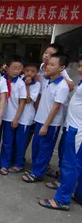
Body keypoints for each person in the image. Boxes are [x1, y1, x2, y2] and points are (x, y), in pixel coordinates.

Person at [38, 57, 82, 211]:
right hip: (73, 127)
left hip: (77, 131)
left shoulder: (64, 85)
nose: (80, 69)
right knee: (76, 164)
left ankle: (62, 200)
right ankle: (78, 194)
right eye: (80, 65)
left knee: (71, 165)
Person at [22, 53, 70, 183]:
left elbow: (55, 108)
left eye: (52, 65)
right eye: (48, 64)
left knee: (45, 148)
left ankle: (38, 173)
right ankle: (35, 169)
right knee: (36, 146)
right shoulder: (47, 81)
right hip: (40, 119)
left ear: (61, 67)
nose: (48, 67)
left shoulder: (62, 86)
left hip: (50, 124)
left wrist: (46, 125)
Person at [8, 62, 41, 174]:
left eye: (32, 71)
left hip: (26, 118)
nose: (29, 73)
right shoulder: (19, 79)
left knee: (21, 141)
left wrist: (26, 85)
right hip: (15, 115)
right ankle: (12, 159)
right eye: (27, 70)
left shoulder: (36, 84)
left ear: (37, 72)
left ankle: (19, 164)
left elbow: (27, 100)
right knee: (12, 140)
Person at [0, 55, 27, 175]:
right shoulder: (1, 80)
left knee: (8, 142)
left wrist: (16, 118)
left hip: (11, 117)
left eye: (19, 68)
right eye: (14, 68)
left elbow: (22, 102)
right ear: (7, 67)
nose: (16, 71)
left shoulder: (21, 83)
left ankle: (5, 164)